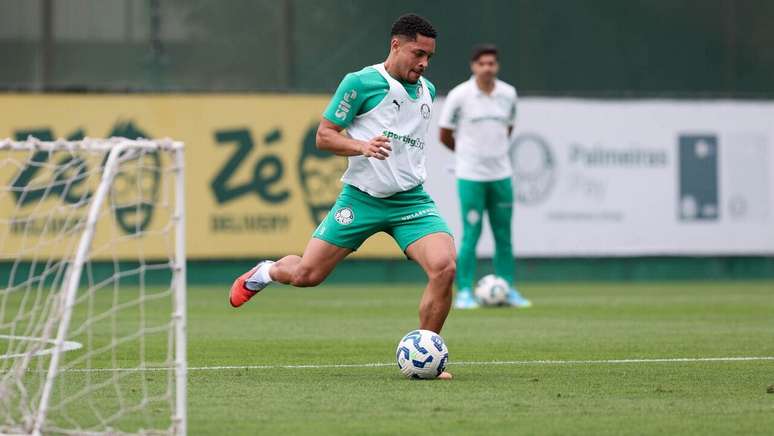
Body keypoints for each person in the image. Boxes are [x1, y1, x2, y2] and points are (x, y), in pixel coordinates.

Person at [229, 13, 455, 378]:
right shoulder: (361, 83)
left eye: (429, 56)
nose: (424, 63)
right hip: (361, 199)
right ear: (395, 45)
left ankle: (424, 354)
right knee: (307, 274)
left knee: (444, 267)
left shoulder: (427, 90)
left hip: (412, 202)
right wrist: (362, 146)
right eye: (418, 54)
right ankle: (267, 271)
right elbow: (324, 135)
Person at [438, 44, 531, 309]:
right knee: (471, 234)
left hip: (501, 176)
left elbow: (508, 128)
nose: (487, 68)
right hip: (470, 177)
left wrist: (494, 154)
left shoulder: (508, 94)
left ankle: (507, 287)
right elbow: (444, 134)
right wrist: (467, 155)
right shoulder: (460, 95)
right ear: (473, 66)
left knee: (504, 235)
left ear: (497, 66)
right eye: (482, 64)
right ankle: (465, 291)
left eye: (492, 63)